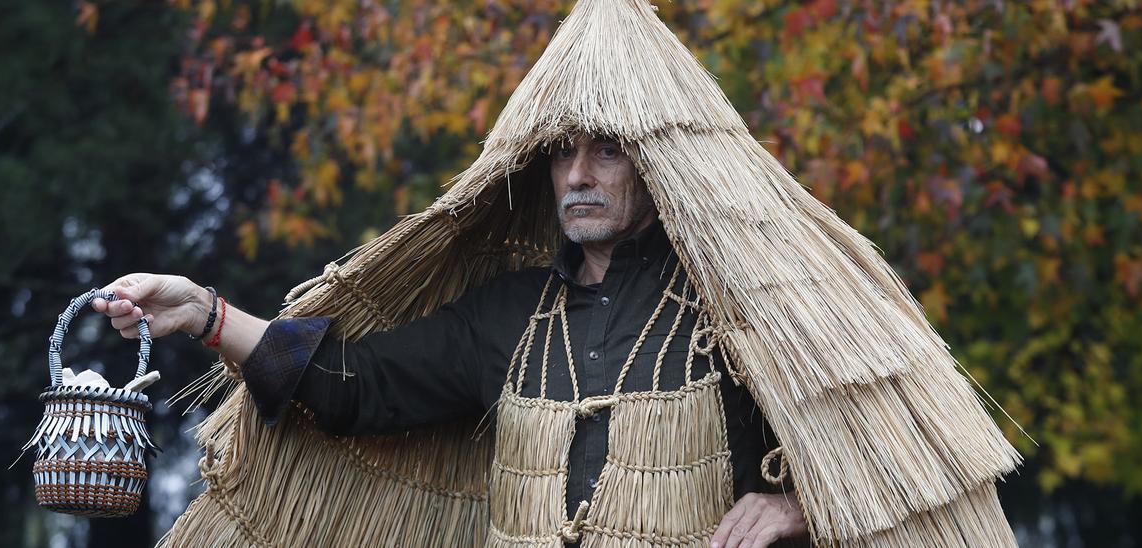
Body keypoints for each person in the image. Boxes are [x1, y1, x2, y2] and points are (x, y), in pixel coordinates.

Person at [94, 134, 809, 547]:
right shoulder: (507, 314)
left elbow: (890, 450)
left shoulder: (741, 308)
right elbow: (351, 386)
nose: (579, 176)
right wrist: (205, 312)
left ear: (655, 167)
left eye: (606, 154)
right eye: (563, 155)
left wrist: (792, 510)